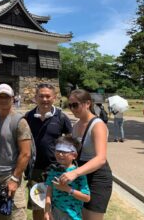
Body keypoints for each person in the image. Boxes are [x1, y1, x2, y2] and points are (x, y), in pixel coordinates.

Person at [59, 89, 112, 220]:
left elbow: (101, 158)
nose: (72, 109)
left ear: (87, 103)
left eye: (75, 105)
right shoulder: (76, 125)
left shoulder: (98, 125)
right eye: (70, 105)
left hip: (96, 178)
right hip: (81, 176)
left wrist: (75, 173)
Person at [24, 83, 72, 220]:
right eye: (41, 96)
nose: (45, 99)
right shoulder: (28, 117)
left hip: (57, 170)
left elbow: (72, 142)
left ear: (54, 98)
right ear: (35, 98)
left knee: (57, 205)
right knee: (38, 206)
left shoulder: (61, 117)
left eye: (48, 96)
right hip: (36, 170)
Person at [0, 83, 32, 220]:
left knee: (15, 214)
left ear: (13, 98)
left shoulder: (20, 121)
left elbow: (26, 153)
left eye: (6, 97)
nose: (3, 100)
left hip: (11, 176)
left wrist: (15, 179)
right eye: (0, 96)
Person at [44, 136, 90, 220]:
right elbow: (48, 193)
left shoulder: (79, 173)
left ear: (74, 155)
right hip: (55, 213)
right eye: (58, 150)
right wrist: (47, 211)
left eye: (64, 151)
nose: (60, 154)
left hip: (73, 216)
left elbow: (86, 198)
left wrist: (67, 189)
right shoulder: (53, 170)